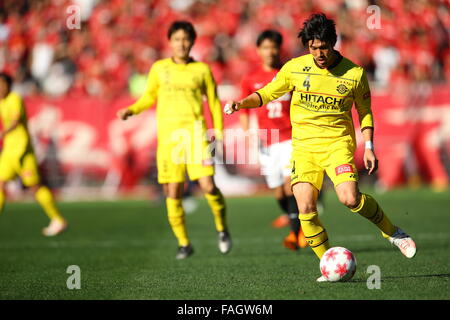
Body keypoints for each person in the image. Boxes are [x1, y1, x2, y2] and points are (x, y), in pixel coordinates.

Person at [225, 13, 416, 281]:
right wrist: (241, 103)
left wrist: (370, 146)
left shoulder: (354, 74)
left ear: (333, 43)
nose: (319, 53)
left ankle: (392, 232)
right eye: (313, 48)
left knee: (349, 198)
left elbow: (365, 112)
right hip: (303, 148)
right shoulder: (294, 68)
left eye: (323, 47)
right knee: (305, 208)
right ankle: (327, 264)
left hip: (337, 145)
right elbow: (268, 93)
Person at [117, 21, 231, 260]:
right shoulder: (159, 68)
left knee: (208, 186)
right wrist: (132, 110)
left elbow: (213, 102)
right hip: (169, 140)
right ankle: (184, 244)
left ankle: (221, 228)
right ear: (170, 42)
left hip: (195, 136)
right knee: (173, 192)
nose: (182, 43)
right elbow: (149, 97)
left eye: (186, 39)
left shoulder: (201, 70)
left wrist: (218, 132)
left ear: (192, 42)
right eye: (177, 39)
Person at [239, 30, 308, 250]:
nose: (270, 51)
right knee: (278, 191)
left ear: (280, 49)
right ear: (258, 50)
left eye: (274, 47)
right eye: (265, 47)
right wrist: (249, 133)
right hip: (266, 142)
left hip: (289, 138)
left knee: (290, 186)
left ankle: (295, 234)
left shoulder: (289, 73)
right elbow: (244, 110)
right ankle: (297, 222)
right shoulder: (250, 78)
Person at [0, 72, 67, 236]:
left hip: (23, 151)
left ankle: (58, 219)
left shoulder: (15, 98)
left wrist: (3, 132)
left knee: (34, 187)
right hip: (9, 152)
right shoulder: (1, 102)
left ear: (9, 85)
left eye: (2, 84)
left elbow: (15, 121)